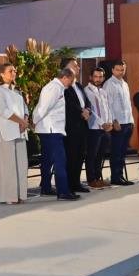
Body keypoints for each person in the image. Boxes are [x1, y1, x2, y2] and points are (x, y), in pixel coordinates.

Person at [32, 68, 80, 201]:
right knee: (60, 161)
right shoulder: (54, 88)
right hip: (51, 130)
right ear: (65, 77)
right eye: (71, 79)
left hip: (50, 129)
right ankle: (63, 191)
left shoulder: (56, 88)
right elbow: (43, 107)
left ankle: (46, 188)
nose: (71, 83)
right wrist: (34, 121)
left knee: (47, 160)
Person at [0, 63, 30, 204]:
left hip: (20, 131)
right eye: (10, 71)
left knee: (21, 165)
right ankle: (8, 197)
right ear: (2, 73)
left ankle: (20, 195)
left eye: (15, 70)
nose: (13, 73)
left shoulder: (17, 91)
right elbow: (4, 111)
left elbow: (25, 109)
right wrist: (21, 122)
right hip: (6, 132)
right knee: (8, 166)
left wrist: (25, 120)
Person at [61, 57, 91, 194]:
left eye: (78, 66)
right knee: (71, 156)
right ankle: (68, 185)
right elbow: (68, 105)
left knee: (80, 155)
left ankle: (76, 183)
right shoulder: (63, 86)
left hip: (83, 126)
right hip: (71, 127)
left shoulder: (78, 85)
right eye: (74, 65)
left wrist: (88, 110)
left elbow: (87, 102)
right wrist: (82, 112)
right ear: (65, 68)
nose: (78, 68)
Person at [103, 60, 136, 186]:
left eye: (123, 69)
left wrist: (131, 121)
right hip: (118, 123)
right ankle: (115, 177)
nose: (121, 72)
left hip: (128, 122)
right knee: (116, 151)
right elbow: (107, 105)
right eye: (118, 69)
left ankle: (120, 176)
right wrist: (113, 120)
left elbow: (128, 104)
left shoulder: (125, 84)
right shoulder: (108, 84)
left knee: (122, 152)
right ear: (112, 70)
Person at [84, 67, 113, 189]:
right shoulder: (86, 91)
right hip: (93, 127)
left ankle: (98, 178)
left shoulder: (103, 92)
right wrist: (102, 123)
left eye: (100, 77)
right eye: (95, 76)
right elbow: (91, 110)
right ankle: (91, 179)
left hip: (105, 128)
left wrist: (109, 122)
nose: (98, 79)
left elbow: (108, 108)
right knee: (92, 155)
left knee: (100, 155)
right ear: (91, 77)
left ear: (103, 78)